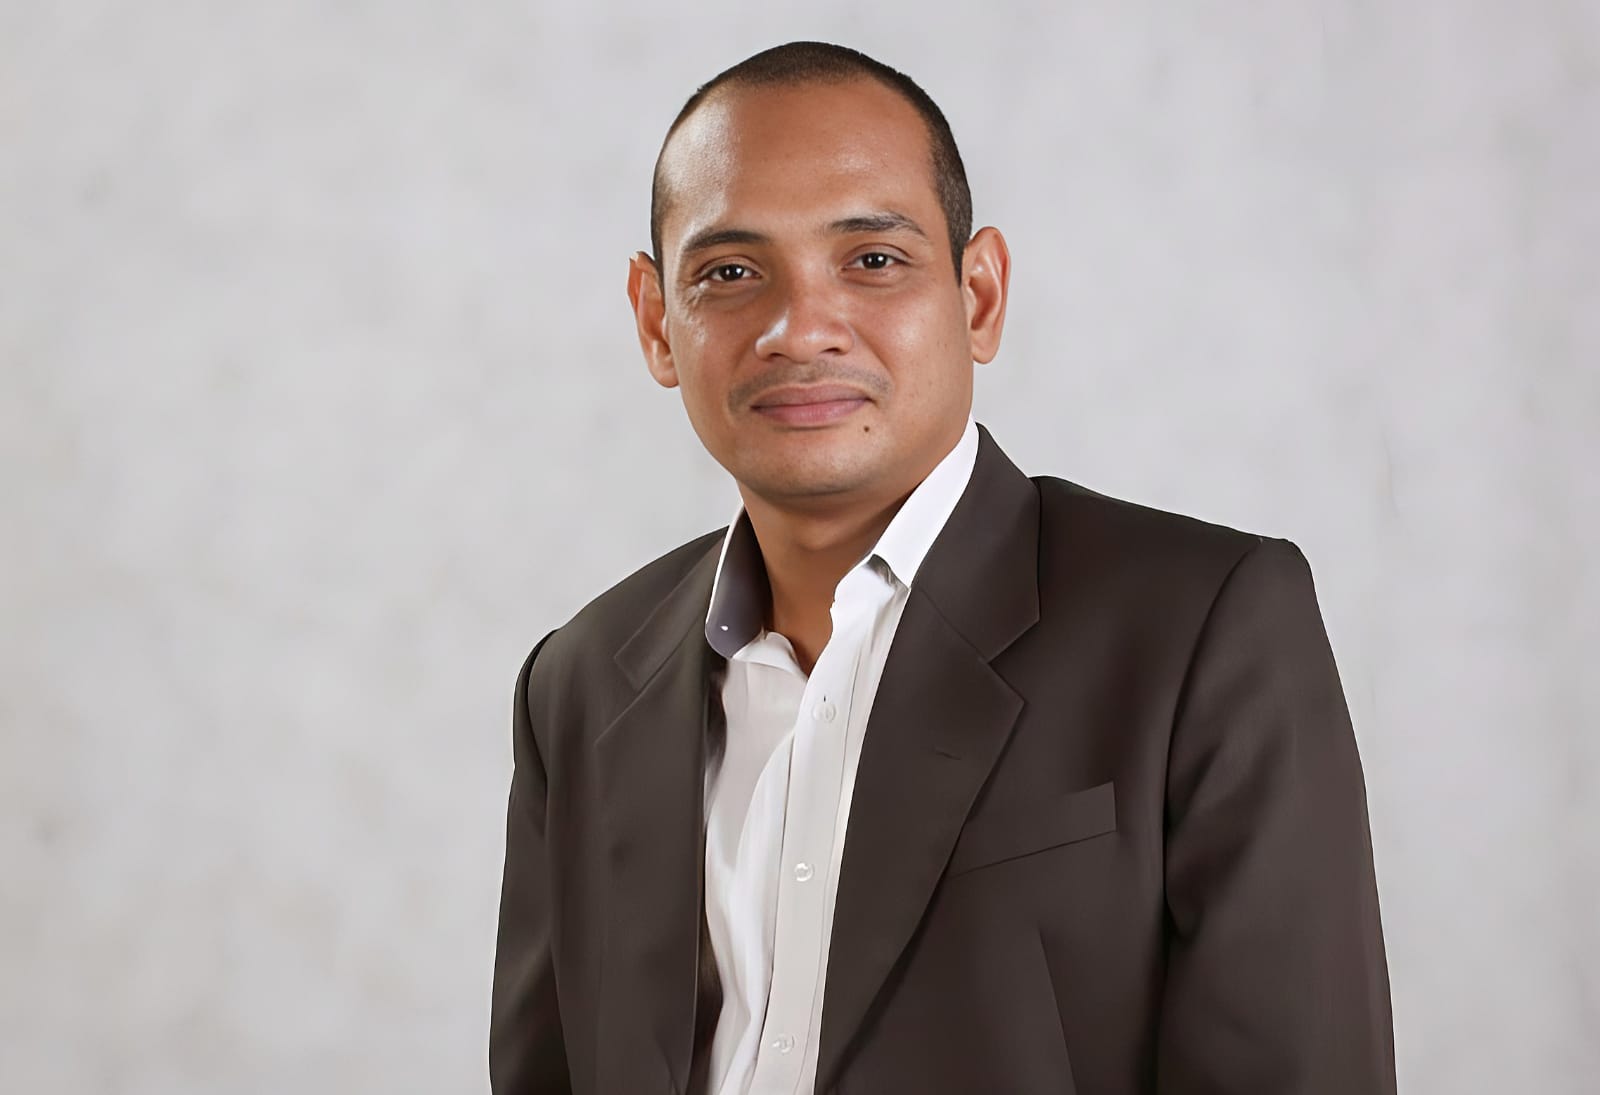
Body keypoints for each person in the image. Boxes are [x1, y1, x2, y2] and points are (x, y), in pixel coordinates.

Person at [490, 40, 1396, 1095]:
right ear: (657, 322)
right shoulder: (580, 683)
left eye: (872, 260)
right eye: (730, 273)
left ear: (979, 296)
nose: (799, 329)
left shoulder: (1201, 628)